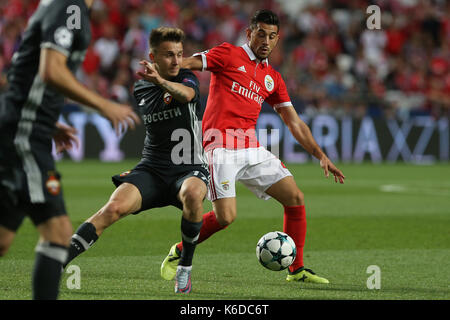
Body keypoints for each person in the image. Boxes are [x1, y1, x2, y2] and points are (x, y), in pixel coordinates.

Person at [160, 9, 345, 284]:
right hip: (219, 147)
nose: (265, 41)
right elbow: (186, 63)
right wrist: (169, 82)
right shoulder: (228, 54)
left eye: (271, 36)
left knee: (295, 198)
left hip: (251, 148)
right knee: (225, 218)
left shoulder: (272, 77)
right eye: (260, 34)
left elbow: (293, 121)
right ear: (249, 34)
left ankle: (296, 269)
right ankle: (178, 250)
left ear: (277, 40)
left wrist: (320, 155)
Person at [0, 0, 140, 300]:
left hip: (27, 127)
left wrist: (47, 122)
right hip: (24, 133)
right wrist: (103, 104)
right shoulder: (70, 6)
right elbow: (51, 70)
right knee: (58, 233)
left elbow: (23, 71)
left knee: (3, 240)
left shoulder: (65, 8)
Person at [63, 27, 209, 294]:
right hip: (152, 168)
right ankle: (58, 263)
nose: (176, 61)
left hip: (190, 167)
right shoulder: (141, 87)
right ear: (153, 56)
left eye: (179, 54)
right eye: (168, 55)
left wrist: (162, 81)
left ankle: (185, 268)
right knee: (111, 209)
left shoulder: (188, 79)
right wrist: (156, 82)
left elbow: (185, 96)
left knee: (192, 194)